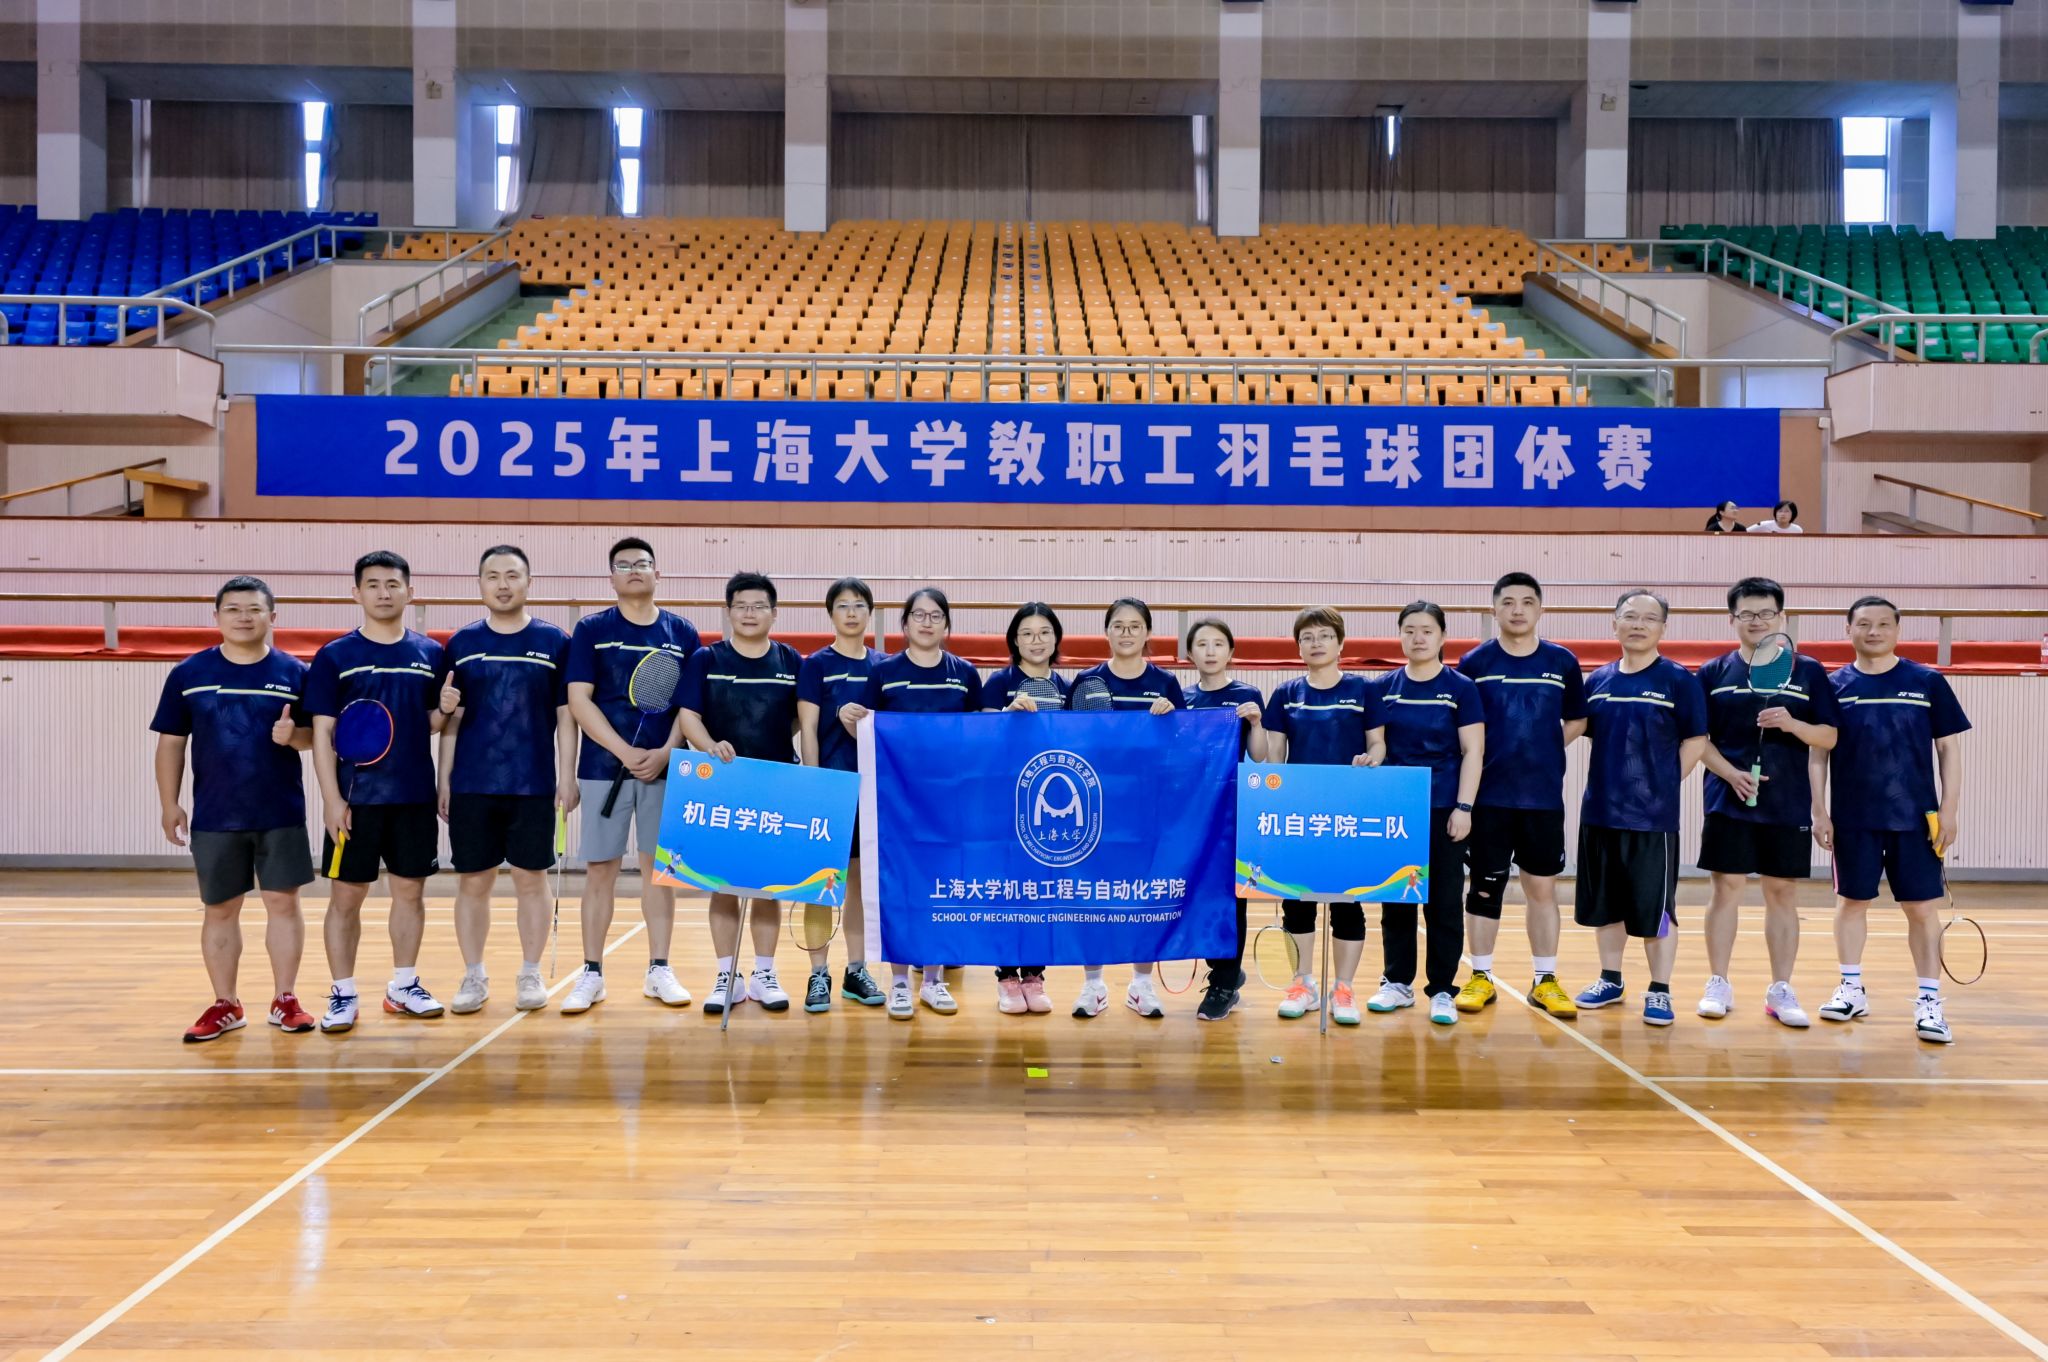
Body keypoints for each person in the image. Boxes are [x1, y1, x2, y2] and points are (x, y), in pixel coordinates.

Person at [152, 576, 317, 1042]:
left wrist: (296, 737)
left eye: (254, 609)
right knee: (220, 908)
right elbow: (171, 743)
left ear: (272, 617)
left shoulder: (295, 673)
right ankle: (226, 1003)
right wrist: (169, 803)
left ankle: (285, 999)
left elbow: (315, 737)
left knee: (283, 903)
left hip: (280, 812)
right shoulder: (189, 673)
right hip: (216, 815)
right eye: (233, 609)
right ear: (217, 617)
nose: (244, 617)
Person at [1814, 596, 1971, 1044]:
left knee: (1921, 909)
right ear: (1849, 630)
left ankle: (1929, 1001)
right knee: (1851, 903)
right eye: (1864, 624)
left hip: (1916, 819)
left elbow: (1948, 749)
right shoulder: (1834, 685)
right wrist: (1819, 811)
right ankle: (1851, 989)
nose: (1874, 632)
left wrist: (1949, 810)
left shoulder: (1926, 681)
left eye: (1884, 624)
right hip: (1853, 818)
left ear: (1897, 630)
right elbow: (1818, 754)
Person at [305, 550, 449, 1033]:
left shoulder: (431, 654)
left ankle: (403, 986)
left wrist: (445, 710)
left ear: (410, 592)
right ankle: (343, 993)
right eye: (373, 584)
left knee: (410, 893)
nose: (384, 593)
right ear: (356, 593)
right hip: (355, 800)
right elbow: (322, 733)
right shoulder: (335, 656)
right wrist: (331, 800)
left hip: (413, 796)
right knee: (346, 898)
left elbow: (429, 723)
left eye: (393, 584)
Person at [558, 537, 702, 1015]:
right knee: (600, 872)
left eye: (643, 563)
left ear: (658, 573)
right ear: (611, 578)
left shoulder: (682, 632)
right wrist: (623, 751)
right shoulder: (591, 630)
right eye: (624, 565)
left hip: (666, 768)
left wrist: (666, 752)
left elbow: (689, 707)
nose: (634, 570)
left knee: (660, 872)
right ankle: (592, 974)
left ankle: (659, 968)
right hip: (603, 769)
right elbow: (579, 700)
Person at [435, 546, 576, 1017]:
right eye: (492, 576)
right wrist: (444, 778)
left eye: (512, 575)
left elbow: (566, 717)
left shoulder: (555, 641)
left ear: (529, 582)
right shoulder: (461, 643)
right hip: (472, 782)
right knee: (473, 882)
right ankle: (473, 975)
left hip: (533, 783)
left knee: (531, 880)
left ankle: (530, 972)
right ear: (479, 584)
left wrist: (566, 777)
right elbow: (452, 717)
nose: (502, 584)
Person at [1694, 577, 1839, 1027]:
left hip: (1788, 800)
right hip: (1729, 796)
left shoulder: (1808, 671)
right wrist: (1730, 774)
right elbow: (1698, 739)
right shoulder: (1713, 672)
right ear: (1732, 619)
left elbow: (1829, 736)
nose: (1756, 621)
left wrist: (1793, 725)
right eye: (1747, 614)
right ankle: (1718, 981)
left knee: (1782, 892)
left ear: (1782, 618)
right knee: (1726, 888)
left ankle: (1781, 988)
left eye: (1765, 613)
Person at [840, 586, 984, 1019]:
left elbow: (981, 733)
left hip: (948, 803)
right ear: (904, 624)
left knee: (942, 889)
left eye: (935, 615)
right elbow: (867, 734)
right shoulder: (884, 673)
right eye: (918, 615)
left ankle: (934, 981)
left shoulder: (965, 674)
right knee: (900, 889)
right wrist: (850, 719)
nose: (926, 622)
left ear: (946, 625)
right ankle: (900, 982)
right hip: (897, 803)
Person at [1453, 572, 1587, 1019]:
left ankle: (1545, 980)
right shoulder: (1474, 662)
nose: (1517, 610)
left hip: (1542, 798)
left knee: (1542, 889)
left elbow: (1577, 719)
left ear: (1540, 609)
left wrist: (1544, 748)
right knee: (1484, 888)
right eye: (1508, 602)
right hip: (1489, 798)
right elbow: (1463, 726)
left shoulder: (1562, 661)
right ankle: (1480, 976)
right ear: (1494, 609)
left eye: (1527, 602)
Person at [1573, 590, 1709, 1027]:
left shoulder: (1679, 680)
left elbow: (1697, 740)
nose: (1638, 625)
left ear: (1663, 628)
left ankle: (1660, 990)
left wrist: (1664, 785)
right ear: (1614, 623)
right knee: (1606, 905)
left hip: (1653, 820)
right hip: (1600, 812)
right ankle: (1610, 980)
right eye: (1630, 616)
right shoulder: (1597, 681)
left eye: (1649, 618)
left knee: (1657, 911)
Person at [676, 571, 804, 1017]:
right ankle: (726, 976)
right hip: (722, 786)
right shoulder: (706, 658)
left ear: (774, 613)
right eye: (741, 606)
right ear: (728, 611)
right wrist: (710, 746)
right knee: (723, 885)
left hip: (773, 786)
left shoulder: (791, 660)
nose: (750, 613)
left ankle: (764, 973)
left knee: (767, 887)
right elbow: (689, 717)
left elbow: (799, 718)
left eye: (759, 606)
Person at [1254, 606, 1385, 1026]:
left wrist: (1371, 759)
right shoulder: (1286, 694)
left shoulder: (1364, 691)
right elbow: (1276, 756)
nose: (1316, 643)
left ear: (1340, 643)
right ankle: (1303, 984)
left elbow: (1378, 744)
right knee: (1298, 903)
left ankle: (1343, 989)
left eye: (1325, 636)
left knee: (1348, 904)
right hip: (1301, 812)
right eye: (1307, 637)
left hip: (1349, 811)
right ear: (1298, 647)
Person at [1070, 597, 1185, 1019]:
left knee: (1144, 894)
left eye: (1135, 626)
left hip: (1146, 806)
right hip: (1096, 806)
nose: (1126, 633)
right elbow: (1069, 739)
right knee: (1092, 894)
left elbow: (1183, 745)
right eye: (1118, 625)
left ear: (1147, 632)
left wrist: (1171, 719)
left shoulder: (1165, 683)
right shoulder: (1087, 681)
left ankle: (1141, 984)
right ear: (1106, 631)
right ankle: (1093, 985)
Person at [1372, 603, 1485, 1027]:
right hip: (1395, 812)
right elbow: (1375, 745)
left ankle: (1441, 988)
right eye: (1409, 630)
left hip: (1444, 809)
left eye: (1426, 630)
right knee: (1396, 900)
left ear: (1442, 637)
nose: (1417, 638)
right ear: (1400, 635)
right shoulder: (1382, 688)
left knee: (1443, 904)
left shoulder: (1460, 688)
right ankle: (1397, 982)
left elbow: (1473, 751)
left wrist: (1464, 807)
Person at [796, 577, 887, 1012]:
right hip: (830, 787)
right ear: (830, 614)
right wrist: (815, 785)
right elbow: (808, 729)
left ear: (870, 613)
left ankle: (856, 969)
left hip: (871, 791)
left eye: (859, 605)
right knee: (821, 884)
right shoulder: (816, 665)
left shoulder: (884, 666)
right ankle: (818, 973)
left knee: (858, 885)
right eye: (843, 606)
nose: (852, 613)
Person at [981, 602, 1073, 1014]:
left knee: (1043, 889)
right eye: (1027, 633)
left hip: (1050, 808)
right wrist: (1006, 716)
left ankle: (1035, 975)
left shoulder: (1069, 688)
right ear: (1014, 640)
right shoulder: (998, 682)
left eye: (1044, 632)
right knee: (1007, 888)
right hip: (1005, 802)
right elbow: (980, 740)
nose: (1037, 641)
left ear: (1056, 639)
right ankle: (1006, 977)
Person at [1182, 617, 1265, 1023]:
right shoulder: (1183, 698)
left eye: (1218, 644)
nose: (1210, 651)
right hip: (1194, 813)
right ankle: (1224, 968)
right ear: (1190, 653)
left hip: (1232, 812)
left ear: (1231, 651)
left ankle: (1225, 983)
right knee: (1200, 893)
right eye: (1202, 644)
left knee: (1232, 897)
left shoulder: (1246, 695)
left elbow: (1261, 756)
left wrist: (1256, 722)